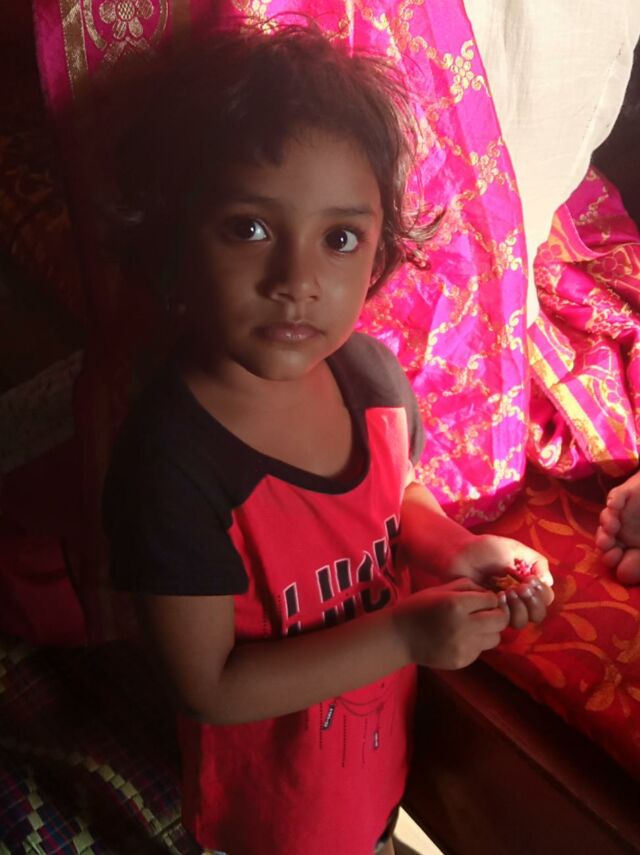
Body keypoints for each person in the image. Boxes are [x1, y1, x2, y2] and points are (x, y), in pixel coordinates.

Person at [101, 23, 554, 855]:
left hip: (370, 766)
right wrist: (406, 635)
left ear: (378, 254)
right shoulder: (171, 464)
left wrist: (457, 548)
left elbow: (395, 495)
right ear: (173, 236)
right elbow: (207, 684)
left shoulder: (371, 379)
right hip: (272, 817)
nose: (297, 281)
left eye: (339, 238)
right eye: (249, 228)